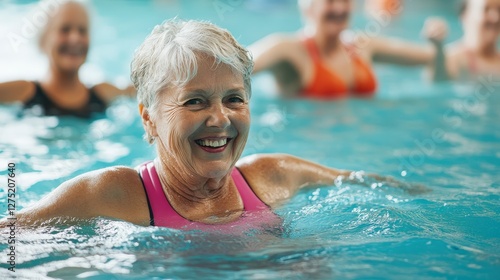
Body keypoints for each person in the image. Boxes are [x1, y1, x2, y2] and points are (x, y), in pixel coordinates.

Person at [0, 19, 419, 231]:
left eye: (234, 99)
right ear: (149, 118)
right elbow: (12, 241)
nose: (219, 119)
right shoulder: (110, 196)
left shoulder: (276, 177)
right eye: (195, 101)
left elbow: (388, 191)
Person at [249, 0, 448, 99]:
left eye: (345, 0)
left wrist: (437, 41)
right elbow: (235, 63)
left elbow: (433, 58)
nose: (339, 9)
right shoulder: (288, 49)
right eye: (330, 1)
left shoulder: (363, 46)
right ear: (307, 6)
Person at [0, 0, 134, 118]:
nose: (75, 38)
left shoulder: (104, 94)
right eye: (65, 29)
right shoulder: (23, 92)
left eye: (82, 30)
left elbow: (143, 91)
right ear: (43, 40)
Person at [439, 0, 500, 80]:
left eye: (499, 10)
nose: (496, 17)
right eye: (485, 9)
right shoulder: (450, 58)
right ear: (465, 16)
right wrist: (437, 49)